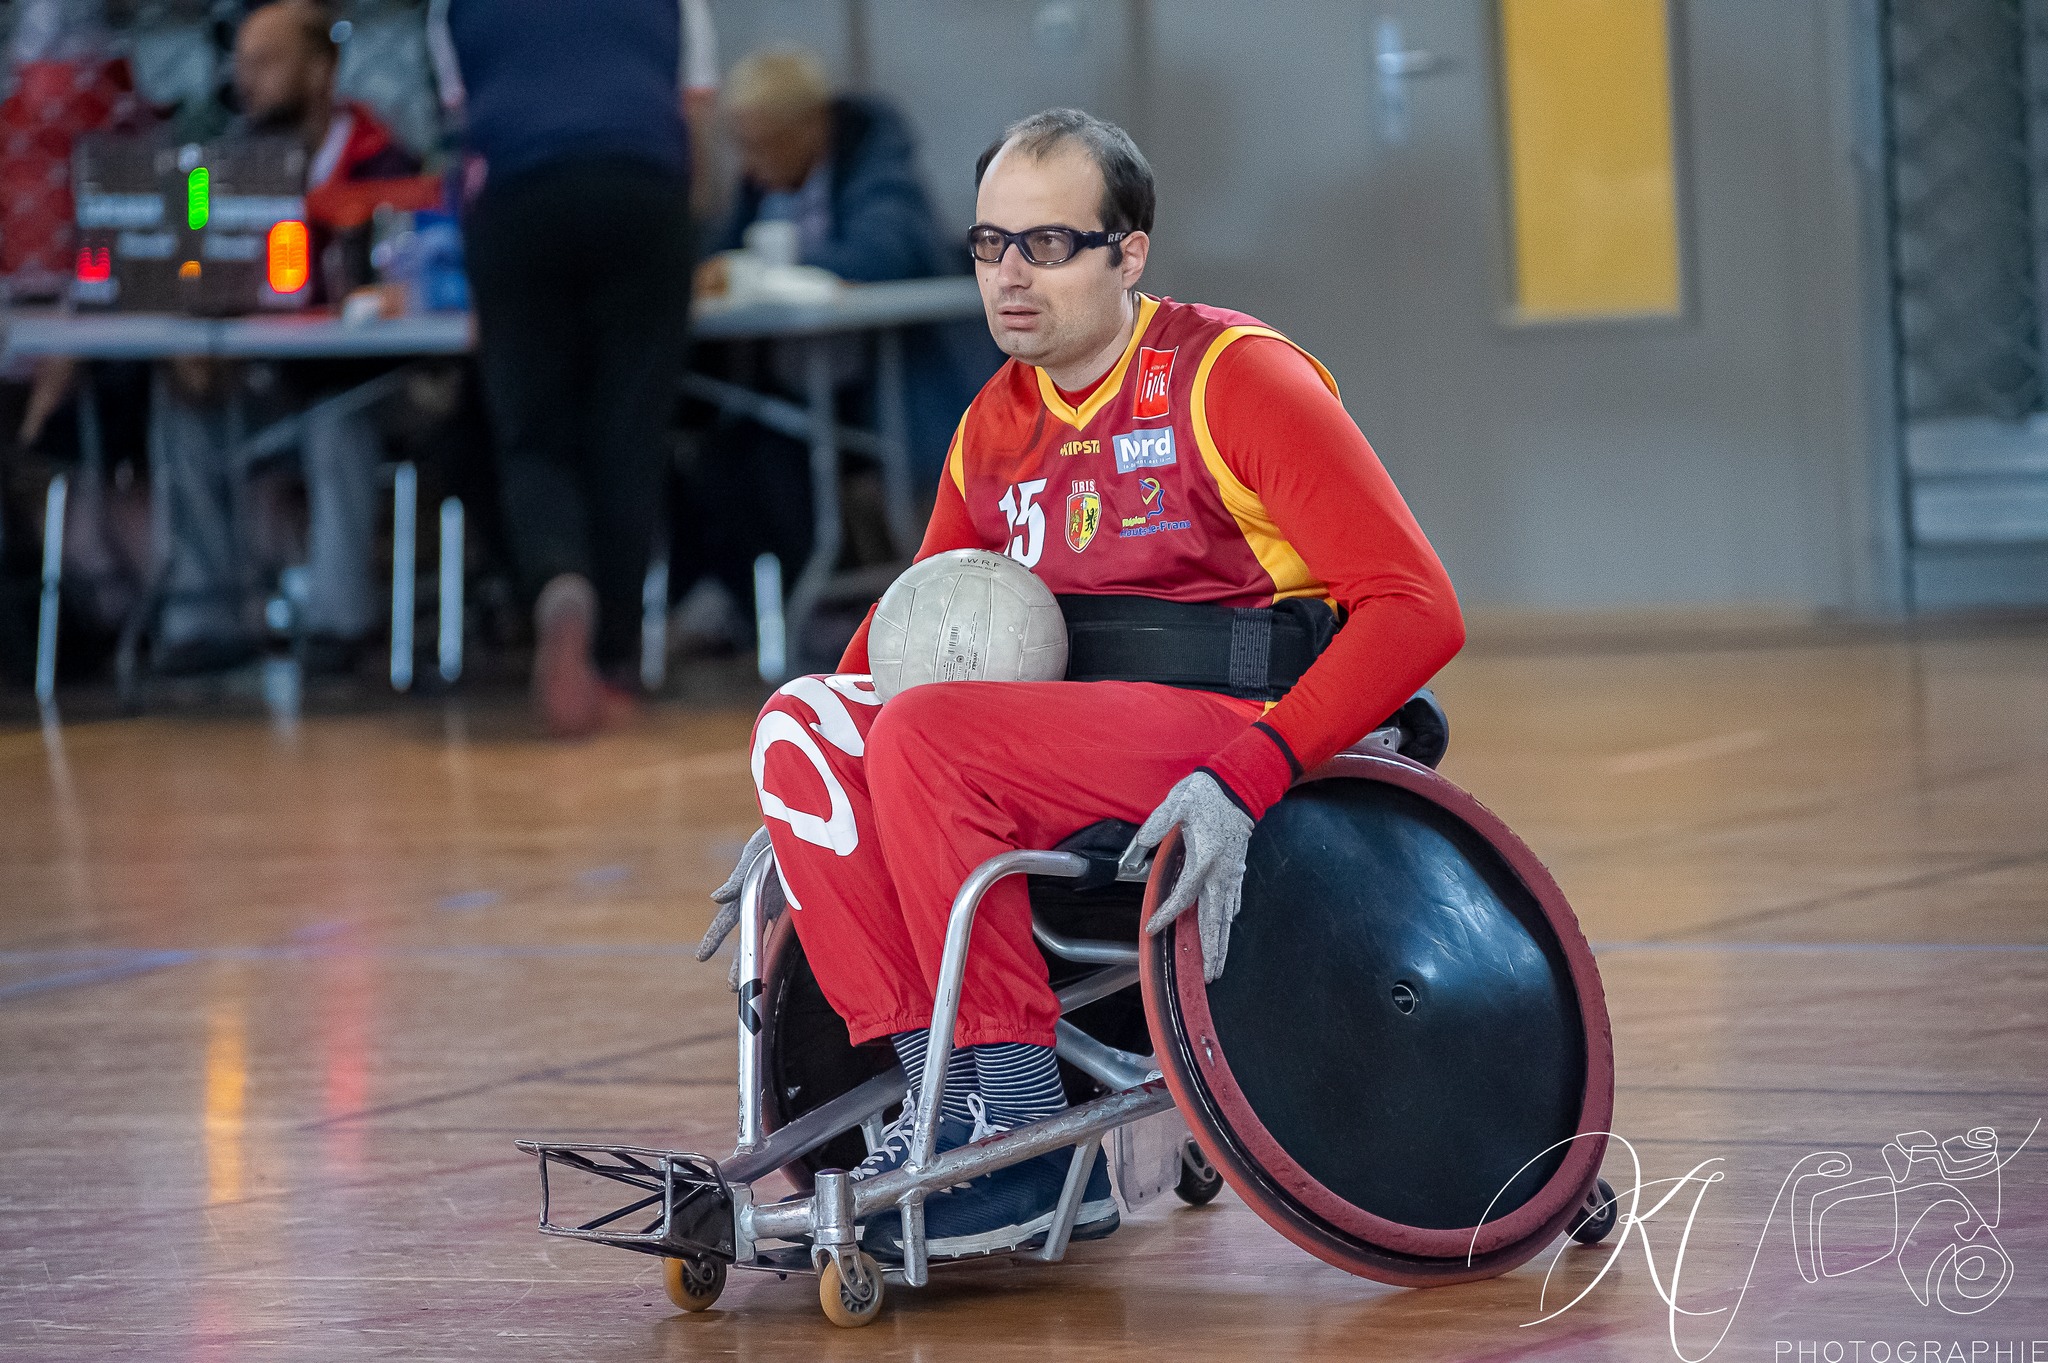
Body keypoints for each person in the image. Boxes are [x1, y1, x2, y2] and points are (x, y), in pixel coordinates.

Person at [702, 109, 1465, 1257]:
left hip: (1232, 722)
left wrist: (1250, 773)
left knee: (923, 738)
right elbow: (900, 629)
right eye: (987, 245)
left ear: (1129, 252)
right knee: (805, 720)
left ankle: (1025, 1133)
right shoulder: (991, 425)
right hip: (1061, 733)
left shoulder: (1233, 379)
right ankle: (947, 1104)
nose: (1010, 277)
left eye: (1048, 245)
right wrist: (803, 799)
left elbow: (1418, 611)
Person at [445, 0, 713, 738]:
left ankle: (560, 583)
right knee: (628, 430)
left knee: (532, 431)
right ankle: (614, 660)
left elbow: (465, 130)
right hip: (641, 187)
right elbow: (693, 116)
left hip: (520, 196)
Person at [677, 48, 994, 653]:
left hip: (885, 389)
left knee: (771, 460)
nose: (752, 165)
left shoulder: (877, 164)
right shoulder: (760, 184)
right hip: (789, 389)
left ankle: (821, 611)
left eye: (764, 145)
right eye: (742, 146)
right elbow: (718, 255)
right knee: (717, 457)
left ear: (810, 129)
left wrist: (764, 271)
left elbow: (885, 252)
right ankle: (767, 608)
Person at [151, 0, 419, 676]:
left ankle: (337, 623)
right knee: (182, 399)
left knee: (338, 414)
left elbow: (416, 277)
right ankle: (203, 618)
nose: (247, 80)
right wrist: (196, 326)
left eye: (267, 62)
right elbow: (190, 260)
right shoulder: (213, 173)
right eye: (241, 63)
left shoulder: (387, 159)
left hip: (374, 384)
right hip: (266, 379)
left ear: (323, 68)